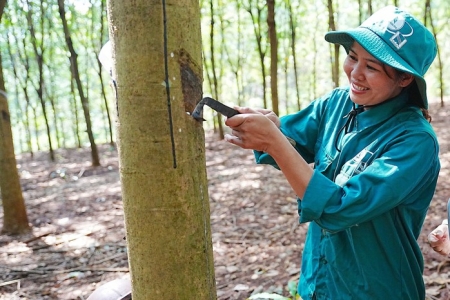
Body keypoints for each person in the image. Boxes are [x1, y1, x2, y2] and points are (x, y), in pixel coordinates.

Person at [224, 6, 440, 300]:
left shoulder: (414, 141)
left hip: (376, 289)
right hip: (320, 281)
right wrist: (271, 130)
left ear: (404, 79)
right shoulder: (337, 103)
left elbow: (339, 208)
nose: (355, 72)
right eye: (352, 57)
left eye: (372, 67)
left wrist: (273, 141)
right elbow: (294, 140)